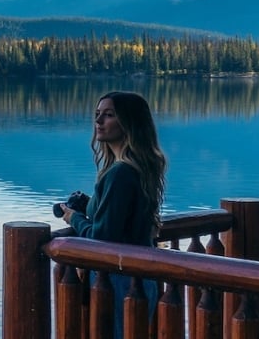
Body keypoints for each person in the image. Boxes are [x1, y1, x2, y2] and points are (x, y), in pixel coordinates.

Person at [60, 91, 167, 336]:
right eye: (97, 115)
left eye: (108, 115)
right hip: (140, 279)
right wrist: (88, 203)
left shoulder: (120, 174)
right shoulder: (138, 169)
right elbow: (121, 214)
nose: (98, 122)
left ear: (129, 123)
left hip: (118, 282)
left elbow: (102, 237)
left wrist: (73, 218)